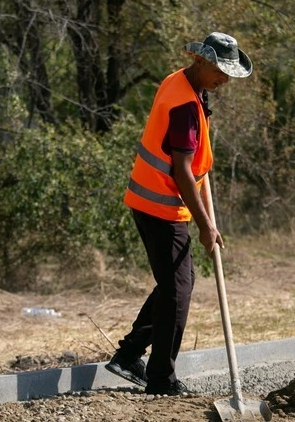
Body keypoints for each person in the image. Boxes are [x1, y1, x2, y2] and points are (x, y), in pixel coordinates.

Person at [105, 32, 253, 396]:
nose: (224, 79)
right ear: (200, 61)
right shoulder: (184, 105)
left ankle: (129, 355)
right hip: (162, 206)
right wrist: (206, 226)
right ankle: (161, 379)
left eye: (228, 73)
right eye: (220, 71)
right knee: (177, 290)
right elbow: (182, 171)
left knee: (174, 286)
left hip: (154, 201)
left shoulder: (182, 82)